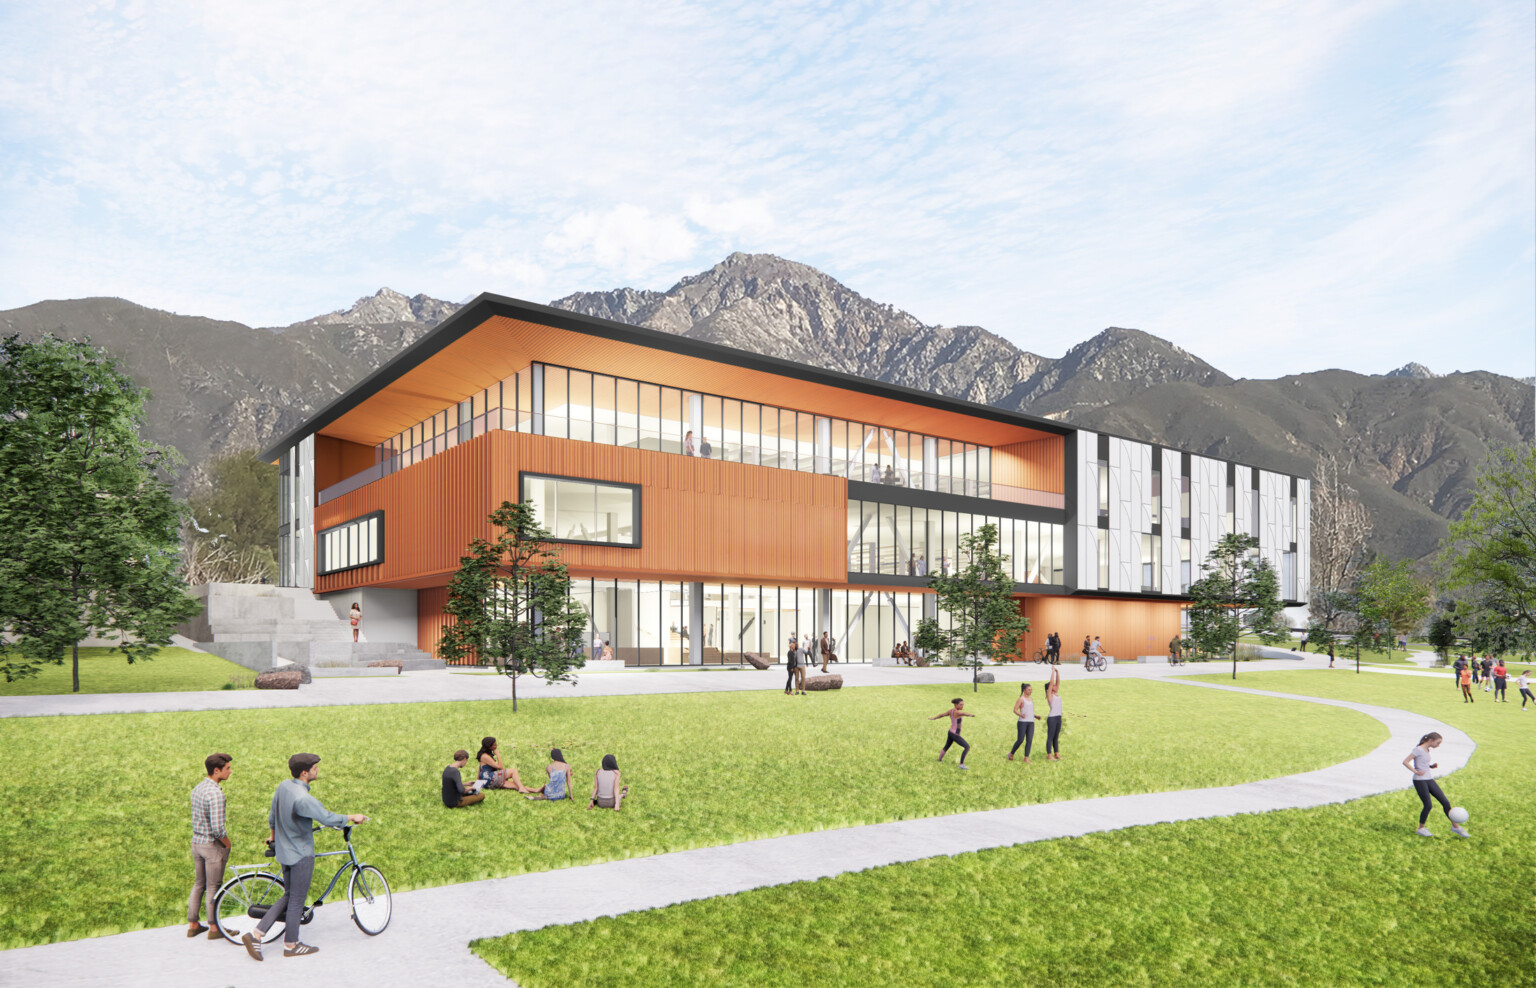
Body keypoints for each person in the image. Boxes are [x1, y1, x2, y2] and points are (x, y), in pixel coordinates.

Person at [243, 753, 367, 961]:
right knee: (296, 900)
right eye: (315, 767)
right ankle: (291, 944)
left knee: (289, 895)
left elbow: (272, 816)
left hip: (284, 851)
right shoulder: (303, 798)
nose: (317, 770)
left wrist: (273, 837)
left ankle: (256, 934)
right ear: (304, 772)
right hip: (301, 854)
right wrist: (352, 817)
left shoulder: (284, 786)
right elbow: (327, 818)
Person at [188, 752, 233, 939]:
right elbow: (217, 828)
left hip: (196, 842)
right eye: (228, 768)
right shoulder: (215, 794)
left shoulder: (198, 788)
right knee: (214, 886)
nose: (230, 771)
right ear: (217, 770)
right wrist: (227, 842)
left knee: (199, 883)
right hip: (211, 846)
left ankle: (193, 925)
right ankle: (214, 929)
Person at [1403, 732, 1469, 838]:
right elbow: (1405, 761)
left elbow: (1422, 763)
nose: (1438, 745)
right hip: (1420, 780)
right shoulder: (1418, 749)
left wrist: (1431, 766)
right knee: (1428, 805)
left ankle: (1455, 827)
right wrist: (1416, 772)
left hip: (1429, 779)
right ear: (1430, 741)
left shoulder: (1426, 750)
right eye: (1437, 743)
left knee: (1445, 802)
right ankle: (1421, 828)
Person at [931, 698, 973, 768]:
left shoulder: (951, 711)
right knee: (967, 747)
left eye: (963, 704)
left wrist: (934, 718)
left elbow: (942, 714)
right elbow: (963, 713)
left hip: (950, 732)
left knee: (946, 746)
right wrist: (970, 715)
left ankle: (939, 760)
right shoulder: (957, 712)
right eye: (961, 704)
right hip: (955, 734)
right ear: (956, 705)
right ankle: (961, 765)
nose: (962, 706)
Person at [1008, 684, 1036, 763]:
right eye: (1029, 690)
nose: (1030, 691)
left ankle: (1026, 757)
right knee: (1020, 740)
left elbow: (1030, 711)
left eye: (1031, 689)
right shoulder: (1021, 699)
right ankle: (1011, 753)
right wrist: (1021, 715)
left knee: (1029, 740)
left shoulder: (1031, 699)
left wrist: (1035, 715)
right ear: (1024, 690)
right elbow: (1015, 710)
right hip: (1022, 723)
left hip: (1031, 722)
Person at [1044, 666, 1063, 760]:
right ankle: (1049, 755)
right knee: (1050, 736)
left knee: (1056, 736)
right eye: (1053, 686)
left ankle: (1056, 753)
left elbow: (1058, 682)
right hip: (1052, 718)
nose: (1055, 685)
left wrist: (1057, 671)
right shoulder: (1050, 695)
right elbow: (1052, 682)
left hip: (1058, 717)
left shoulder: (1056, 693)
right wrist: (1052, 671)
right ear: (1049, 688)